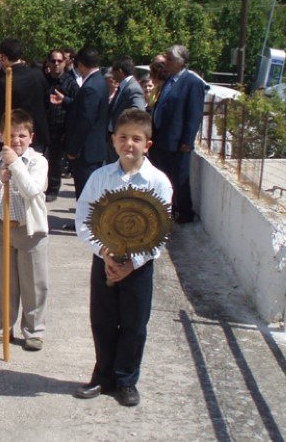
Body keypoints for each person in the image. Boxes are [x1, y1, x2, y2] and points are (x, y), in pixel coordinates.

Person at [74, 109, 172, 407]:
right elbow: (83, 219)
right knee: (102, 320)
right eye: (123, 137)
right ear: (113, 141)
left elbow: (163, 231)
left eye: (136, 139)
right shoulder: (100, 177)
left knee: (134, 324)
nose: (129, 144)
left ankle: (126, 380)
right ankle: (102, 377)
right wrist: (104, 253)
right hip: (104, 259)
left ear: (147, 144)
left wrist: (132, 264)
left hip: (139, 267)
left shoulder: (158, 181)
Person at [0, 109, 49, 352]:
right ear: (1, 136)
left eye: (21, 136)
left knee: (33, 283)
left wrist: (16, 165)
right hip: (1, 228)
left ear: (31, 137)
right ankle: (2, 325)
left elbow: (32, 190)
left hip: (29, 231)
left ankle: (34, 330)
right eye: (11, 136)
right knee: (3, 282)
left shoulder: (38, 162)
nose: (16, 141)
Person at [150, 45, 205, 224]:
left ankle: (184, 213)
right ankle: (167, 209)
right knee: (162, 177)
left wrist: (187, 141)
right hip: (161, 138)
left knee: (179, 178)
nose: (166, 62)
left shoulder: (192, 83)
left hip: (177, 141)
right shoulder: (170, 79)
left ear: (179, 62)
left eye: (169, 59)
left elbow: (194, 114)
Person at [55, 46, 108, 229]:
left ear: (81, 65)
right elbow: (82, 108)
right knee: (87, 188)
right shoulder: (98, 81)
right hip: (90, 148)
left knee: (86, 189)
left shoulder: (92, 86)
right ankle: (84, 220)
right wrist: (66, 101)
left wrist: (73, 149)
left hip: (87, 150)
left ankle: (86, 223)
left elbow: (85, 121)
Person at [0, 39, 51, 156]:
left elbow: (2, 113)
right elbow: (47, 102)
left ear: (3, 56)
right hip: (38, 134)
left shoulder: (3, 82)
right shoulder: (38, 75)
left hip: (15, 139)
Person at [44, 49, 79, 200]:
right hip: (43, 125)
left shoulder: (70, 83)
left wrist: (64, 99)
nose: (56, 64)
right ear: (48, 63)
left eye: (59, 61)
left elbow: (78, 105)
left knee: (55, 161)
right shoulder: (43, 80)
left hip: (61, 128)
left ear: (65, 62)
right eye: (53, 61)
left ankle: (53, 189)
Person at [107, 56, 146, 162]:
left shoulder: (132, 88)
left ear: (120, 71)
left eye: (113, 71)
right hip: (114, 137)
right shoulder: (123, 87)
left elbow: (138, 112)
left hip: (123, 138)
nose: (112, 74)